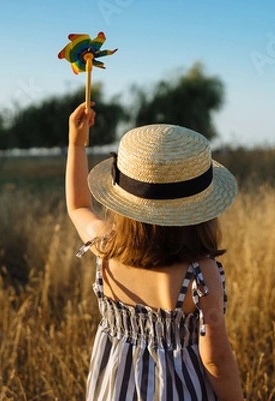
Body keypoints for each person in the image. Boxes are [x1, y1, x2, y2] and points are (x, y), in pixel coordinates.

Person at [66, 102, 244, 400]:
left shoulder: (106, 246)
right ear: (202, 211)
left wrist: (76, 143)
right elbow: (216, 359)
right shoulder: (200, 274)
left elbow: (79, 206)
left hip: (114, 390)